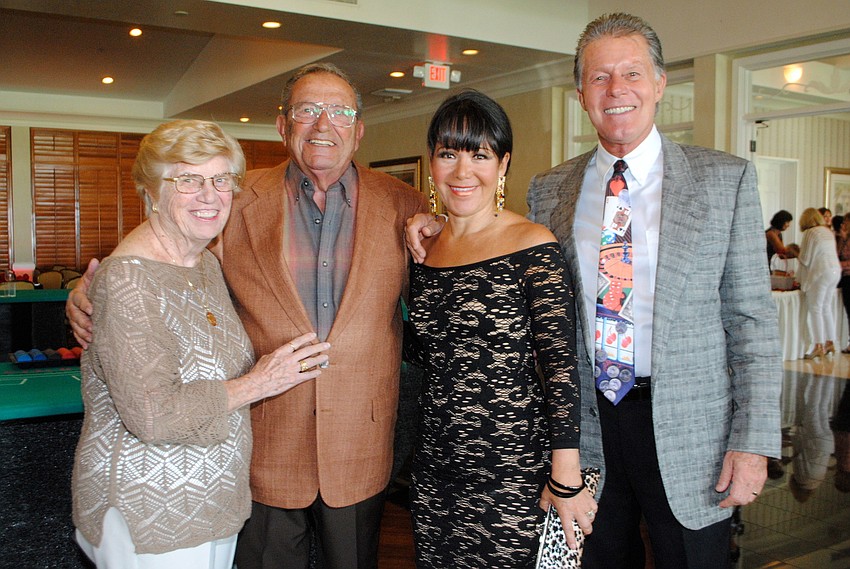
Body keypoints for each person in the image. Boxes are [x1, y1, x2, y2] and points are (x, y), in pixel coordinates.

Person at [406, 13, 782, 569]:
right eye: (600, 77)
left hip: (688, 431)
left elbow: (752, 322)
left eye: (631, 73)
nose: (616, 90)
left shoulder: (725, 181)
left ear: (659, 83)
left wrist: (752, 443)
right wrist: (441, 225)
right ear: (581, 93)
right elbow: (504, 256)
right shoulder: (551, 189)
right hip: (586, 429)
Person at [69, 64, 428, 569]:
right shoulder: (233, 199)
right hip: (262, 446)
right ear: (283, 125)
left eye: (339, 112)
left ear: (358, 129)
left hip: (359, 443)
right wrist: (88, 290)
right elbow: (164, 252)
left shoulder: (403, 204)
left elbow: (444, 298)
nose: (323, 125)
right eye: (307, 111)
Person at [71, 119, 330, 568]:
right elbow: (154, 414)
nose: (209, 195)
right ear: (151, 189)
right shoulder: (128, 279)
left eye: (221, 179)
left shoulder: (205, 263)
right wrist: (260, 382)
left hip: (213, 498)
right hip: (149, 507)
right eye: (187, 179)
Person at [404, 90, 596, 567]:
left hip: (510, 469)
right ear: (432, 163)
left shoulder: (531, 244)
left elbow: (560, 366)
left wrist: (565, 473)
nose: (462, 171)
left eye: (479, 155)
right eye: (448, 154)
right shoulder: (424, 249)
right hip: (435, 464)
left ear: (503, 164)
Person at [797, 207, 841, 359]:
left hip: (821, 272)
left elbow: (805, 259)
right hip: (835, 271)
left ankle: (818, 345)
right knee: (826, 307)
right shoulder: (826, 231)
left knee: (815, 308)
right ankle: (830, 341)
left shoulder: (811, 233)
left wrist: (800, 280)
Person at [836, 215, 850, 353]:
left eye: (845, 222)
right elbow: (837, 254)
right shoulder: (844, 239)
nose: (843, 224)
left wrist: (838, 265)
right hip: (844, 278)